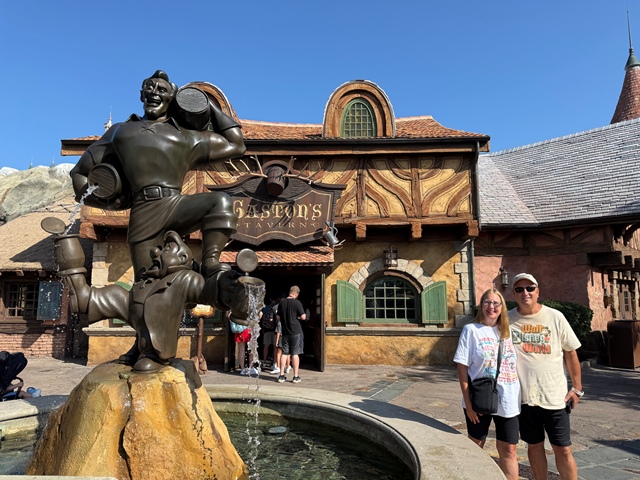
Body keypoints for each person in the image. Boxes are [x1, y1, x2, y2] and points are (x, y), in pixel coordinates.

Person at [70, 70, 246, 283]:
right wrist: (106, 202)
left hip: (176, 204)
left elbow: (236, 144)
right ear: (141, 94)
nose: (154, 92)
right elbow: (79, 173)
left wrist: (206, 104)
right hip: (143, 210)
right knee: (146, 285)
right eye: (149, 88)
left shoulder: (187, 137)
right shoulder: (120, 132)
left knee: (220, 201)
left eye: (162, 90)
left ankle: (210, 263)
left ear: (172, 98)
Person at [509, 273, 582, 480]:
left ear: (538, 291)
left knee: (563, 448)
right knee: (534, 446)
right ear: (514, 294)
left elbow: (571, 352)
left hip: (555, 397)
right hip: (525, 398)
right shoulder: (506, 319)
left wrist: (577, 388)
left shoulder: (555, 317)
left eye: (530, 288)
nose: (525, 293)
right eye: (519, 289)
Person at [454, 289, 520, 480]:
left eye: (496, 303)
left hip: (508, 399)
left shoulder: (509, 332)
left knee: (509, 449)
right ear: (481, 305)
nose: (491, 307)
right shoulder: (471, 330)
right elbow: (462, 368)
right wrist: (468, 405)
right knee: (476, 447)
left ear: (502, 307)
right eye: (487, 302)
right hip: (480, 398)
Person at [276, 286, 306, 383]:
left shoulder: (282, 302)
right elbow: (303, 317)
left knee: (284, 353)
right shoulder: (297, 303)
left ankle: (281, 376)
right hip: (296, 331)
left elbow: (278, 317)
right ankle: (296, 376)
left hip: (285, 331)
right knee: (295, 354)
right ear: (296, 294)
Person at [259, 296, 279, 367]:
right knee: (275, 347)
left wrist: (262, 327)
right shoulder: (277, 307)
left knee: (266, 346)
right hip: (275, 330)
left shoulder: (266, 308)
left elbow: (261, 317)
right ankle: (275, 362)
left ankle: (264, 361)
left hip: (266, 329)